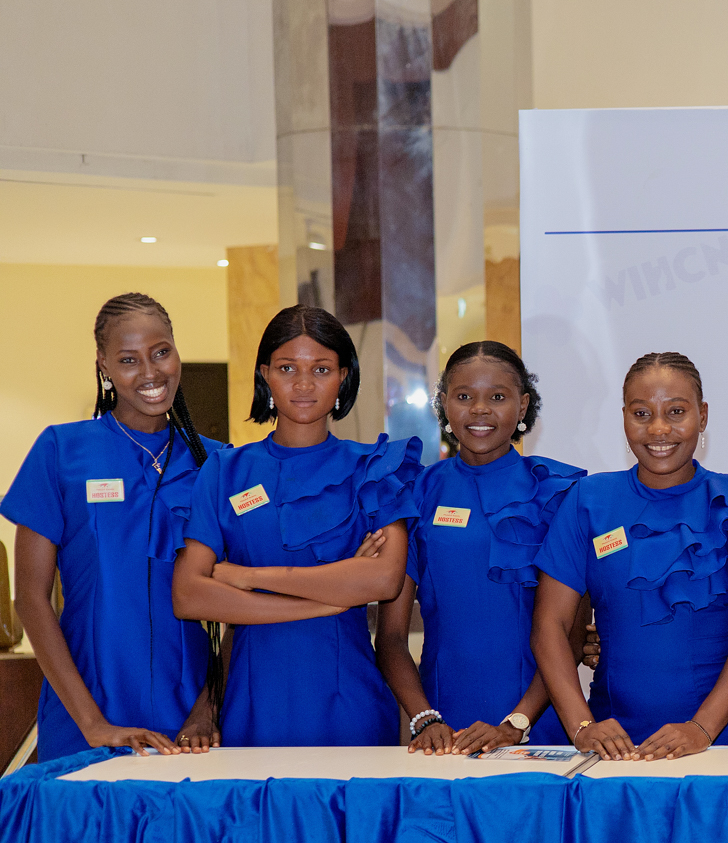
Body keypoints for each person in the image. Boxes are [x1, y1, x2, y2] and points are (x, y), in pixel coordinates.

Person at [172, 305, 421, 746]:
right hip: (250, 704)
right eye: (288, 368)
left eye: (321, 369)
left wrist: (246, 578)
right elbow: (189, 594)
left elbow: (383, 579)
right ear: (265, 374)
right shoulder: (225, 471)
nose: (304, 384)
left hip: (351, 704)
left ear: (343, 376)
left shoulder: (374, 468)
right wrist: (330, 599)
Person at [1, 293, 225, 758]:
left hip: (192, 722)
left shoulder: (219, 463)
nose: (150, 372)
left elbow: (247, 607)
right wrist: (94, 724)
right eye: (128, 360)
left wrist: (208, 708)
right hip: (86, 709)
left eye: (161, 352)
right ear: (103, 365)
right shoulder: (61, 451)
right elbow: (31, 599)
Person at [532, 351, 728, 760]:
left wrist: (702, 729)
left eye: (676, 411)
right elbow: (549, 625)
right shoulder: (588, 501)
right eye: (642, 413)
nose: (659, 429)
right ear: (624, 416)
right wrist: (582, 726)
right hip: (614, 743)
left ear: (702, 415)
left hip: (720, 742)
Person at [376, 342, 585, 754]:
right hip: (443, 729)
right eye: (464, 396)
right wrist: (423, 718)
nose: (480, 410)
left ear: (522, 406)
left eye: (498, 397)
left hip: (541, 724)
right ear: (444, 403)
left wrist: (517, 722)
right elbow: (392, 637)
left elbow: (571, 634)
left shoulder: (560, 494)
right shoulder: (416, 492)